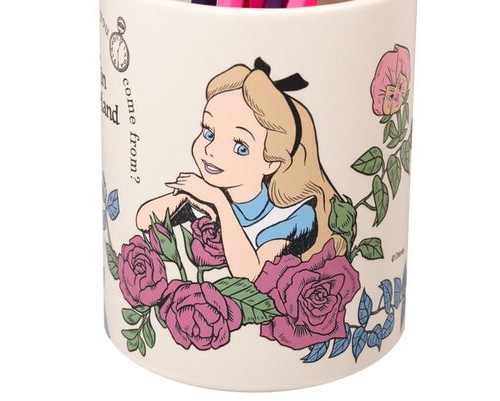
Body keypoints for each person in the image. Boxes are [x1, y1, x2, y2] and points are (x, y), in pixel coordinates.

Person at [135, 57, 346, 280]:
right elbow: (144, 220)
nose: (212, 150)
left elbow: (251, 274)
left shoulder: (293, 215)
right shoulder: (208, 197)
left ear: (271, 162)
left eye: (240, 147)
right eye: (209, 132)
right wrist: (185, 197)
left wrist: (219, 202)